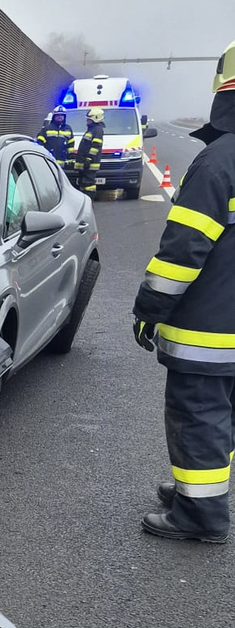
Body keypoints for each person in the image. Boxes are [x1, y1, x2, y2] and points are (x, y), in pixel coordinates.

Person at [133, 39, 235, 543]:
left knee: (198, 413)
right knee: (224, 413)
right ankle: (200, 491)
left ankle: (201, 516)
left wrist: (148, 309)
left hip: (212, 329)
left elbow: (181, 253)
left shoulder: (220, 162)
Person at [72, 108, 105, 197]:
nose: (87, 121)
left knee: (89, 184)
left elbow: (96, 146)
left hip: (90, 164)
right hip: (85, 163)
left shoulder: (97, 130)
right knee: (83, 183)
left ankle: (89, 199)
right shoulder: (92, 130)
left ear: (96, 118)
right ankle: (85, 198)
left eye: (89, 119)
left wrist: (89, 159)